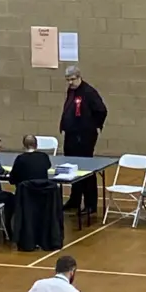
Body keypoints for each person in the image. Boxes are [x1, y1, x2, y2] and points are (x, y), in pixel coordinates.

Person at [59, 65, 107, 215]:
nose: (70, 82)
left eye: (72, 79)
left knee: (86, 169)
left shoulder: (89, 92)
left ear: (79, 77)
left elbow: (102, 110)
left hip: (84, 136)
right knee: (73, 168)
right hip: (71, 135)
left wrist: (93, 126)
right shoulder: (72, 90)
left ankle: (90, 203)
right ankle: (75, 199)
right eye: (68, 80)